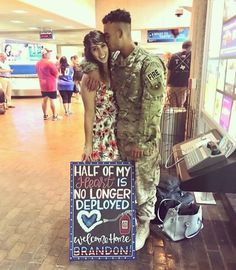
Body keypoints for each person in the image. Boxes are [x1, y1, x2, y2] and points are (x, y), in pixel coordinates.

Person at [83, 9, 165, 250]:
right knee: (126, 184)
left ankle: (144, 224)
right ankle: (127, 220)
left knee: (143, 185)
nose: (105, 41)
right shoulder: (116, 61)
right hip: (117, 138)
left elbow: (153, 108)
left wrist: (141, 141)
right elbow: (94, 60)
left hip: (140, 142)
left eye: (107, 36)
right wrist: (90, 69)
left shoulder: (149, 64)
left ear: (119, 33)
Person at [81, 30, 120, 162]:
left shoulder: (115, 69)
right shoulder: (89, 78)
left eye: (103, 46)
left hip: (119, 132)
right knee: (104, 179)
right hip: (102, 134)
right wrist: (88, 145)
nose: (101, 53)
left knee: (119, 178)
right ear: (90, 52)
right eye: (95, 49)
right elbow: (89, 113)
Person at [36, 48, 61, 121]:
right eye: (49, 53)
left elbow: (38, 73)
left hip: (42, 85)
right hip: (51, 85)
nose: (50, 55)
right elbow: (57, 74)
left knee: (44, 100)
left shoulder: (37, 63)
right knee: (53, 100)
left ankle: (45, 115)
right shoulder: (50, 63)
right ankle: (54, 116)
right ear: (45, 54)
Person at [166, 40, 192, 107]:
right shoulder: (191, 55)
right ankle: (179, 117)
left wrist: (166, 85)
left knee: (173, 108)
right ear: (190, 47)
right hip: (182, 86)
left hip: (171, 86)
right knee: (180, 107)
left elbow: (169, 72)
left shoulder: (173, 56)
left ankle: (174, 117)